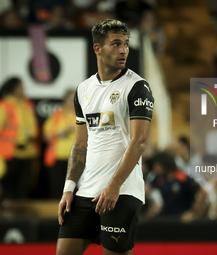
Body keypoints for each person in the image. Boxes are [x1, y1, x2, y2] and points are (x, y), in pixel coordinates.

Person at [56, 19, 154, 255]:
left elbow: (139, 141)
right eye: (116, 44)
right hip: (86, 192)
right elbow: (80, 144)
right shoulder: (83, 90)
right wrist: (69, 188)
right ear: (97, 48)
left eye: (126, 44)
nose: (123, 50)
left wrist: (114, 186)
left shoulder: (138, 86)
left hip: (121, 192)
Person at [0, 77, 39, 199]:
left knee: (24, 186)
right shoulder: (5, 105)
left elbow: (32, 125)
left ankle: (22, 215)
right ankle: (7, 215)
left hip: (27, 152)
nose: (24, 89)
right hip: (10, 153)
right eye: (21, 87)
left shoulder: (27, 104)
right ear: (14, 89)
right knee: (9, 186)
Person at [43, 90, 76, 199]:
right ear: (65, 100)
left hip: (76, 159)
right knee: (57, 187)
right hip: (57, 158)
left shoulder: (82, 116)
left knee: (74, 189)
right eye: (70, 99)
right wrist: (62, 131)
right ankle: (54, 213)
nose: (72, 102)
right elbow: (46, 136)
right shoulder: (56, 116)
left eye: (74, 99)